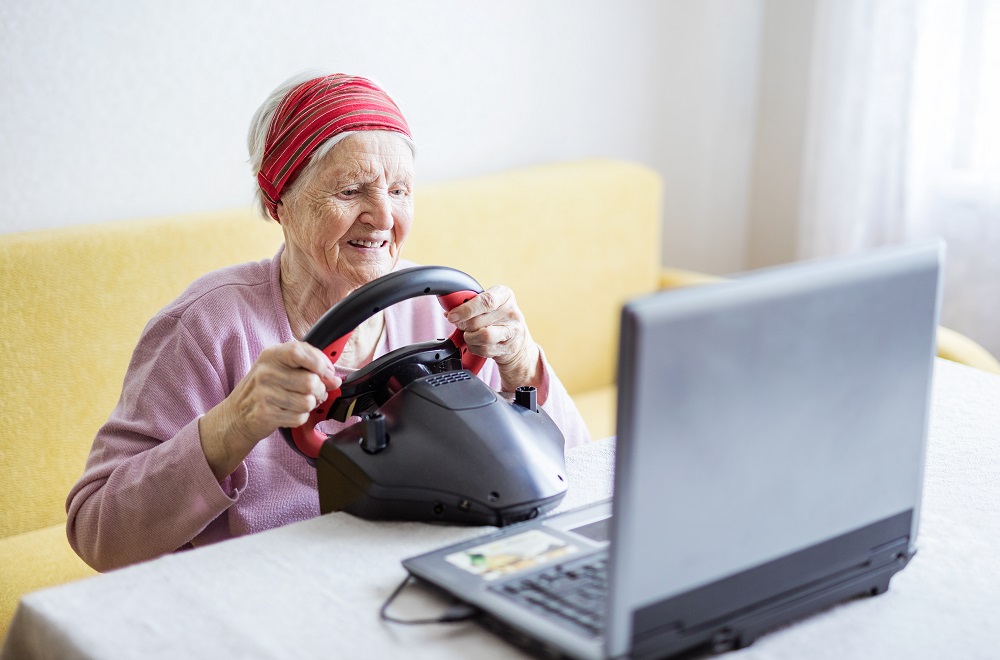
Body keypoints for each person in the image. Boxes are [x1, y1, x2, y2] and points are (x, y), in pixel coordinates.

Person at [66, 72, 591, 572]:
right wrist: (235, 424)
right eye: (351, 190)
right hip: (261, 596)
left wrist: (523, 365)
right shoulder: (208, 326)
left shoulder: (440, 306)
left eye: (400, 191)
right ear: (280, 202)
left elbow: (576, 468)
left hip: (419, 574)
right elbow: (97, 534)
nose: (383, 216)